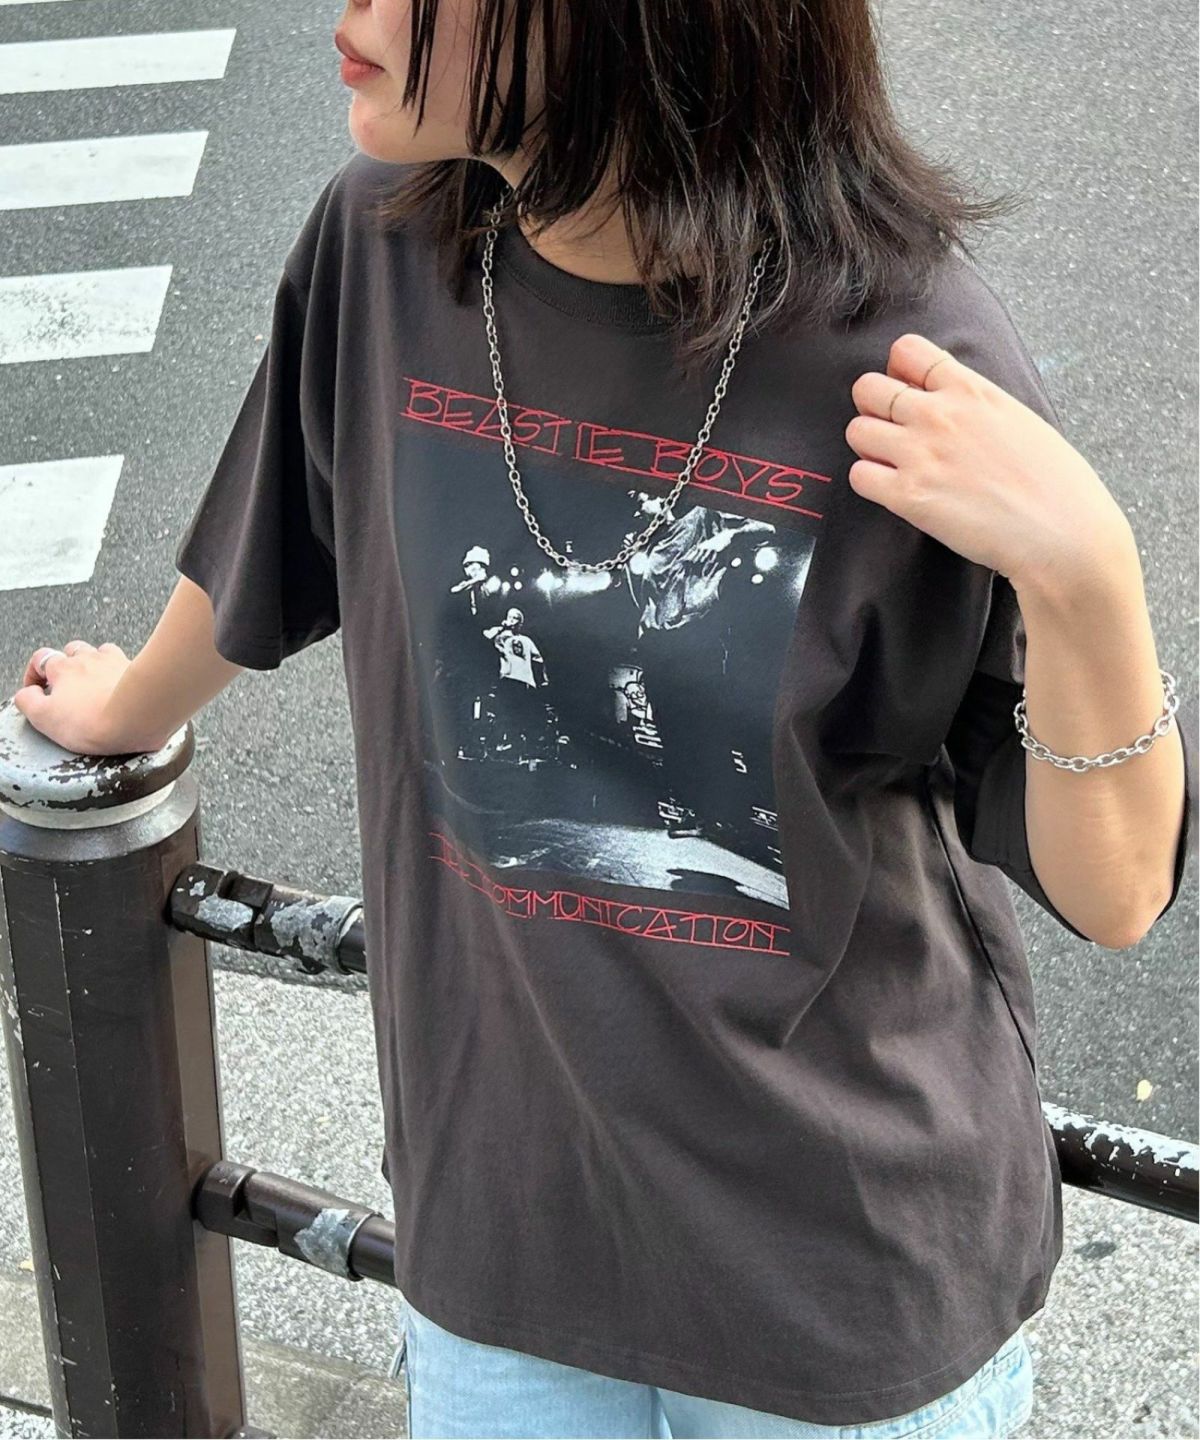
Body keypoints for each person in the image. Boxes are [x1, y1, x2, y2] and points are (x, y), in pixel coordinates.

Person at [12, 0, 1196, 1435]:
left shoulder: (903, 356)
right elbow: (278, 536)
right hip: (503, 1240)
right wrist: (126, 707)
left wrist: (1091, 579)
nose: (352, 12)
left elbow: (1113, 889)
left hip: (838, 1279)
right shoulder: (383, 249)